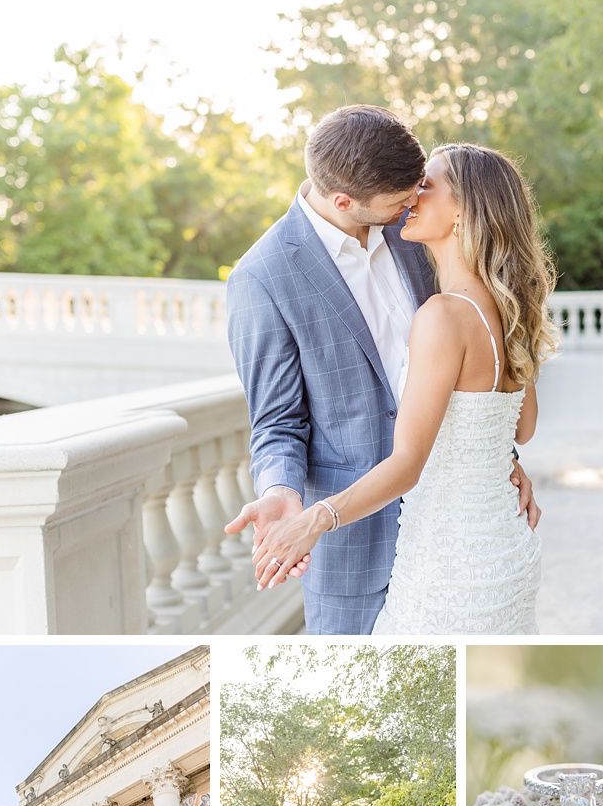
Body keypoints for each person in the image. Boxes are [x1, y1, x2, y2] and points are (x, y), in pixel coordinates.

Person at [225, 105, 538, 635]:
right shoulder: (262, 277)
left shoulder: (414, 233)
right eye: (404, 199)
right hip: (352, 551)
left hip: (459, 538)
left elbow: (469, 375)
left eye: (422, 188)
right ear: (344, 200)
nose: (413, 201)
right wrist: (282, 490)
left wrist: (490, 452)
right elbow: (276, 420)